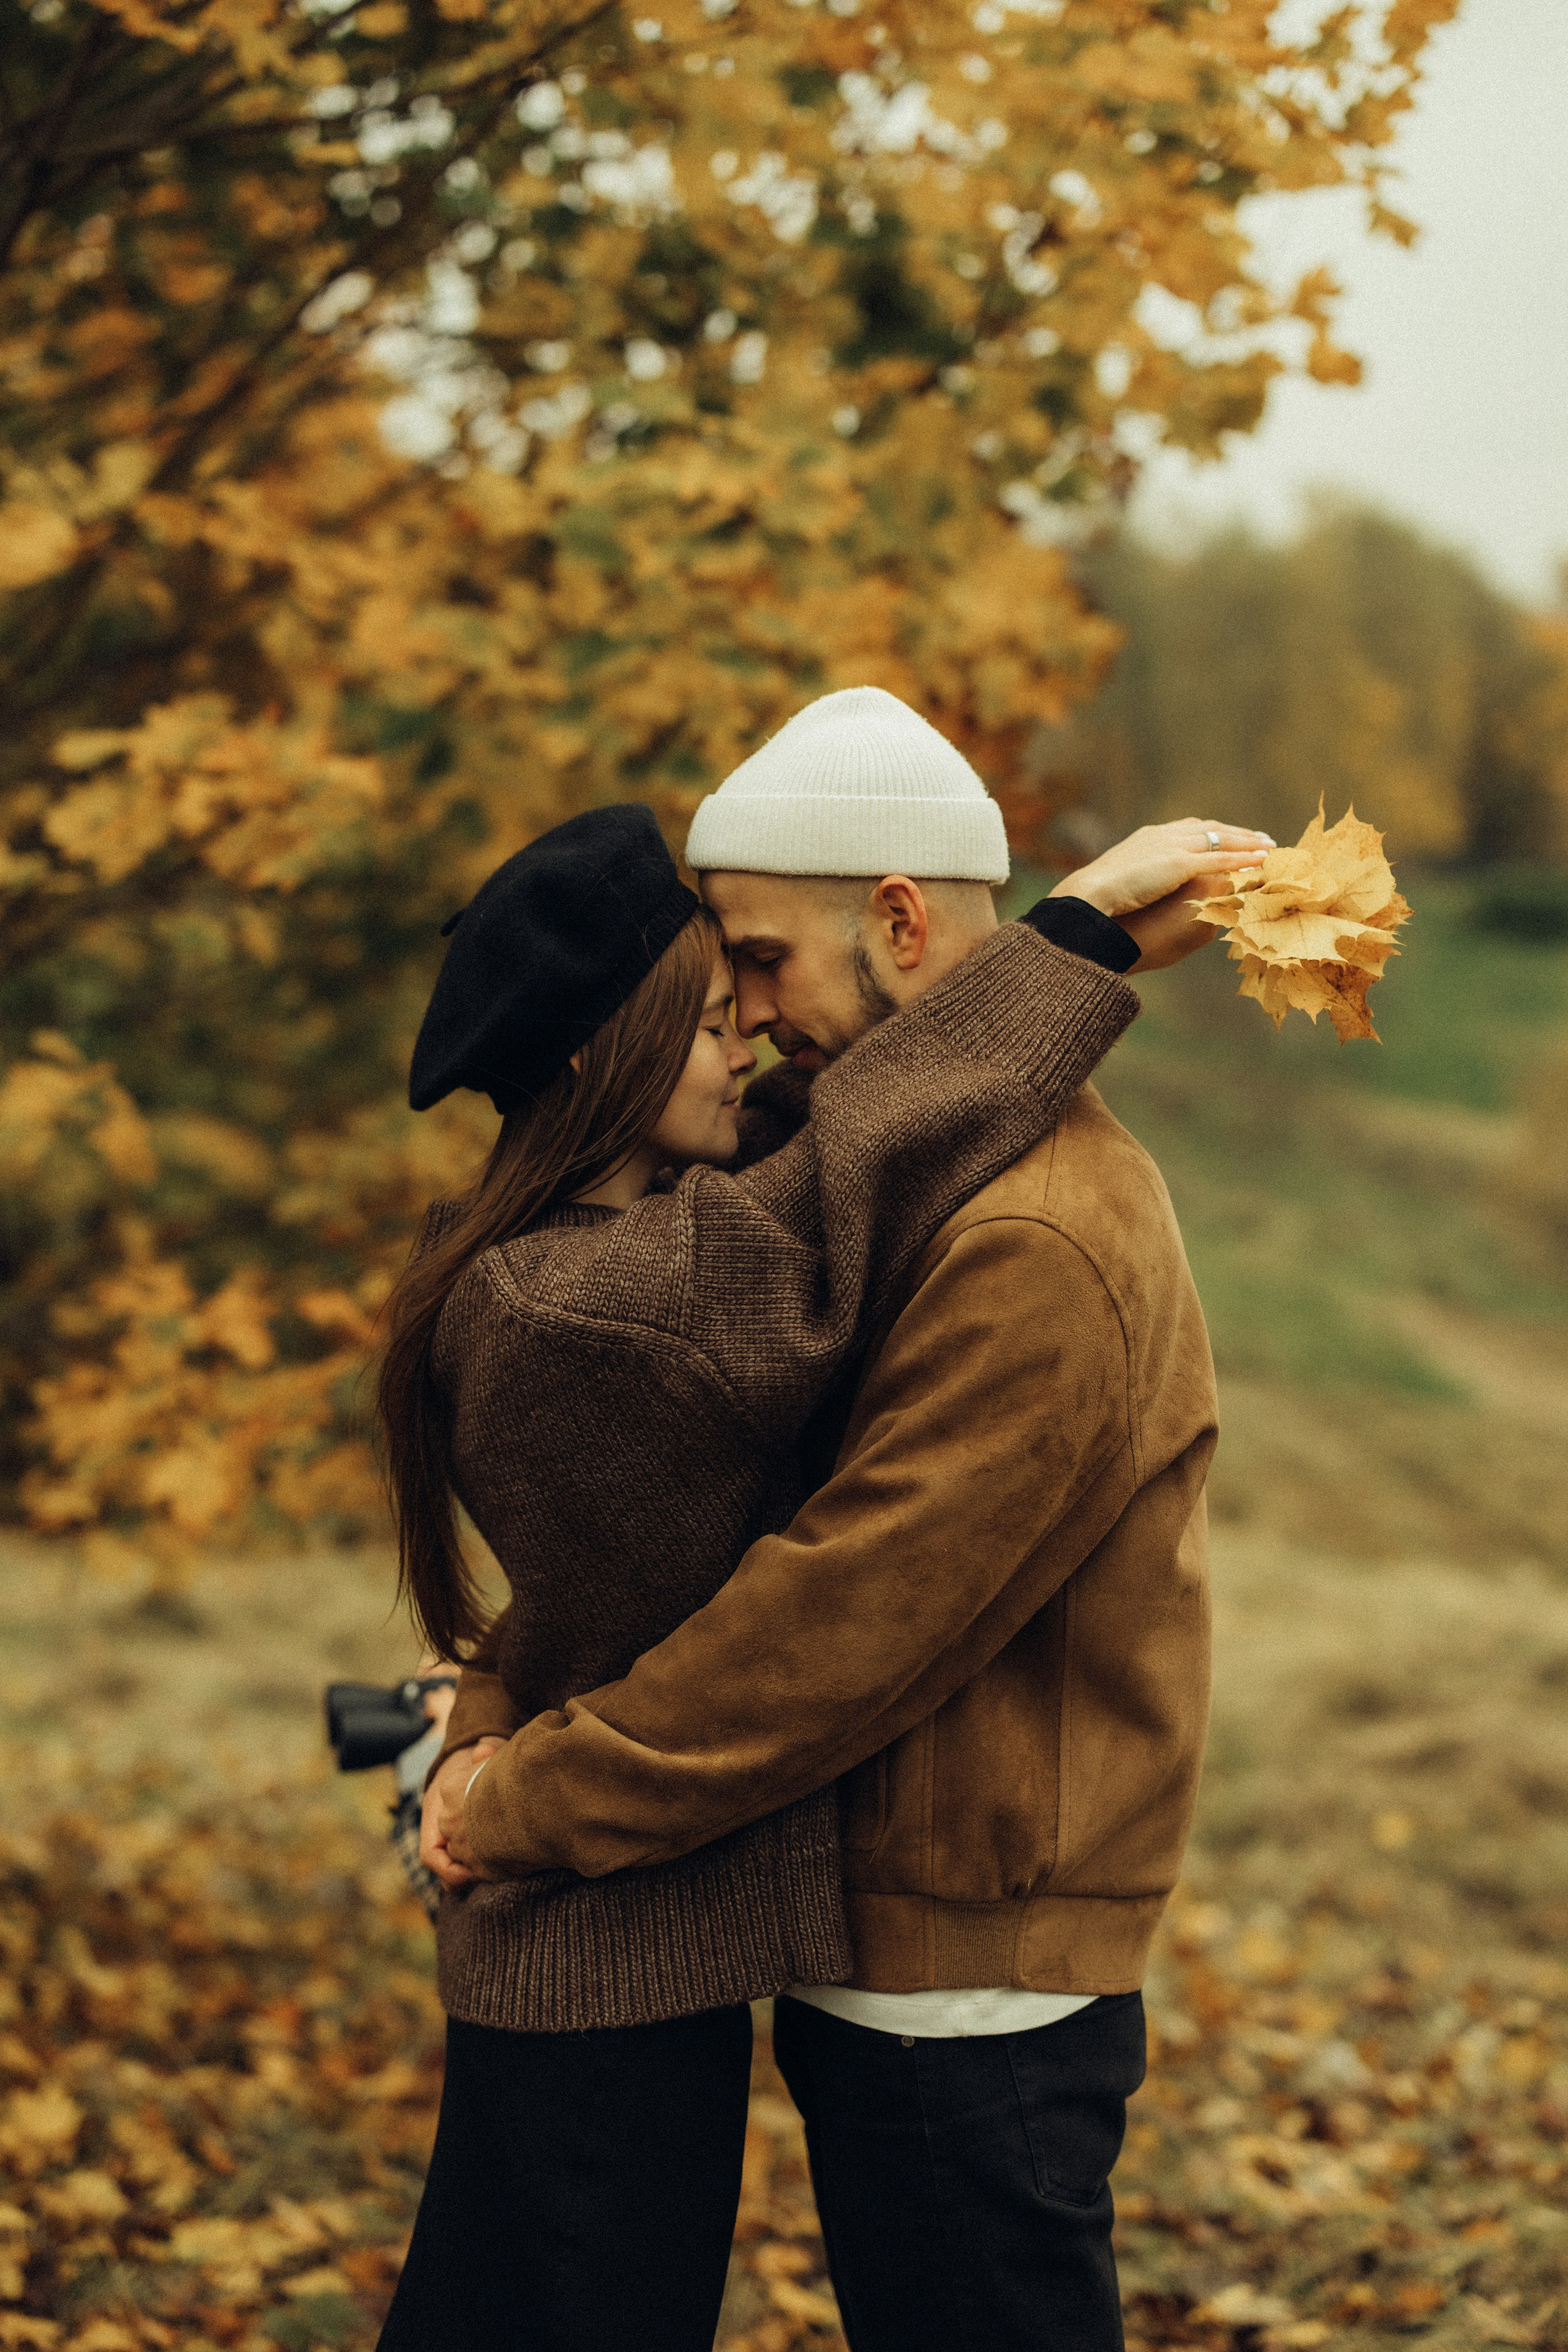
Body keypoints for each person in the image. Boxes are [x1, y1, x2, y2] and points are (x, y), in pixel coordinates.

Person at [426, 687, 1266, 2352]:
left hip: (971, 1975)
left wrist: (529, 1797)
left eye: (756, 961)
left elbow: (838, 1618)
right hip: (888, 1934)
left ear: (896, 922)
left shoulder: (1026, 1232)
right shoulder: (886, 1187)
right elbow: (687, 1533)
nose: (741, 1019)